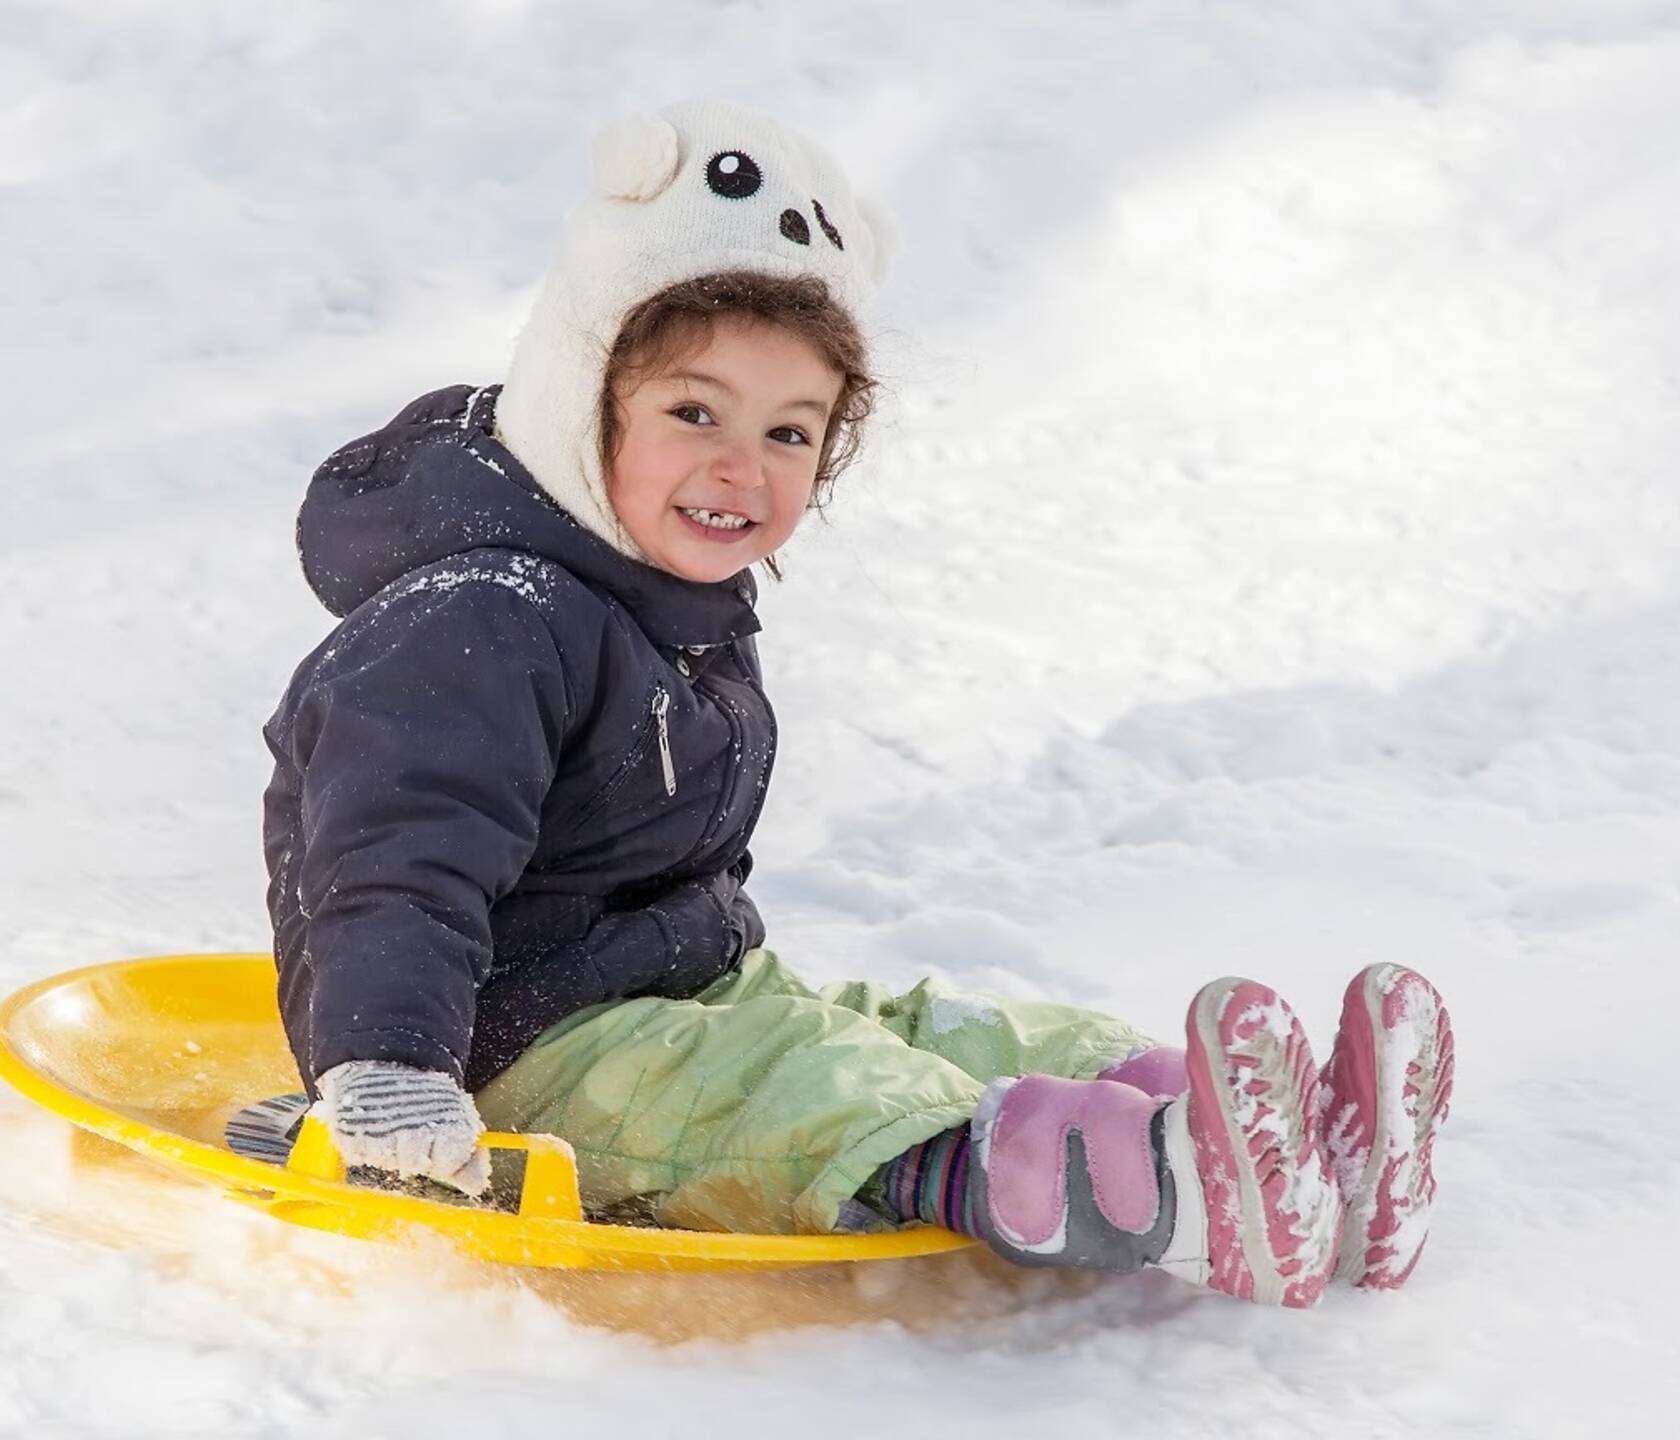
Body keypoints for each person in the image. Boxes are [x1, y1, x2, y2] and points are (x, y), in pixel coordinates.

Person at [254, 100, 1455, 1307]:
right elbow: (389, 860)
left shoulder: (664, 605)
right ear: (582, 393)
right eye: (694, 412)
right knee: (805, 1090)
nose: (744, 465)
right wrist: (392, 1066)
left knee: (953, 1037)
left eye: (790, 431)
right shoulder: (479, 616)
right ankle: (1153, 1177)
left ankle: (1269, 1133)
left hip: (673, 1002)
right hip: (509, 1059)